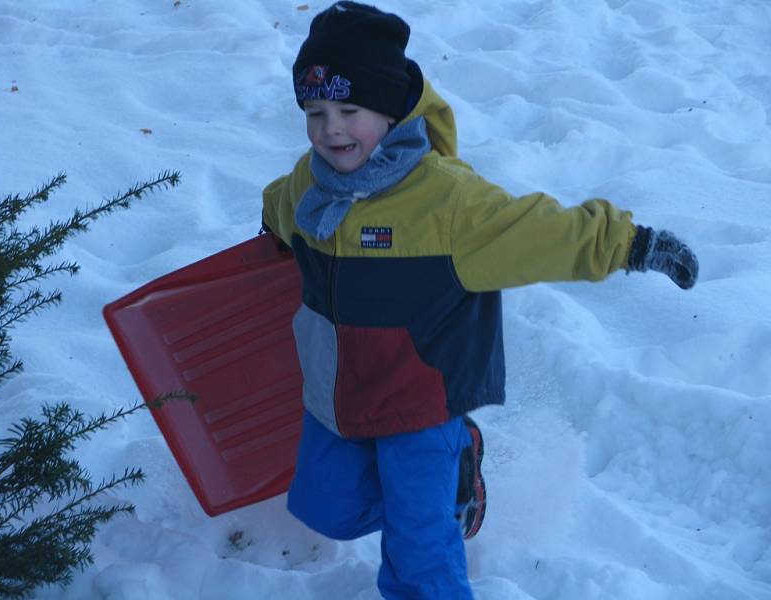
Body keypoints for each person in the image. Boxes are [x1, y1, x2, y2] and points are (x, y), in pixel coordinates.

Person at [260, 2, 698, 598]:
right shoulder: (311, 185)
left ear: (390, 111)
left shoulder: (447, 201)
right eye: (315, 113)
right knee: (325, 507)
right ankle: (455, 474)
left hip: (422, 397)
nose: (330, 129)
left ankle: (440, 493)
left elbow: (541, 231)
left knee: (420, 548)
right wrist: (268, 232)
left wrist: (631, 244)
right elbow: (281, 210)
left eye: (348, 110)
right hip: (338, 394)